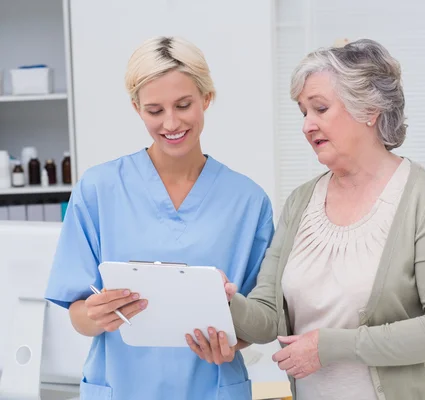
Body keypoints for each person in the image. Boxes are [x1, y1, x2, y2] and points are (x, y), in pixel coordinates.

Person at [188, 39, 425, 399]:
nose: (307, 126)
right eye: (303, 112)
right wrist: (227, 302)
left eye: (320, 109)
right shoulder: (301, 202)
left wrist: (330, 347)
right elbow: (269, 317)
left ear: (368, 109)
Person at [44, 36, 274, 400]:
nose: (171, 123)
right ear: (137, 108)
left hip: (212, 388)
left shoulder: (248, 201)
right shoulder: (99, 189)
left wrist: (232, 343)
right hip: (121, 387)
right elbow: (78, 315)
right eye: (154, 110)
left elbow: (259, 319)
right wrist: (97, 313)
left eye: (184, 105)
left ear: (206, 99)